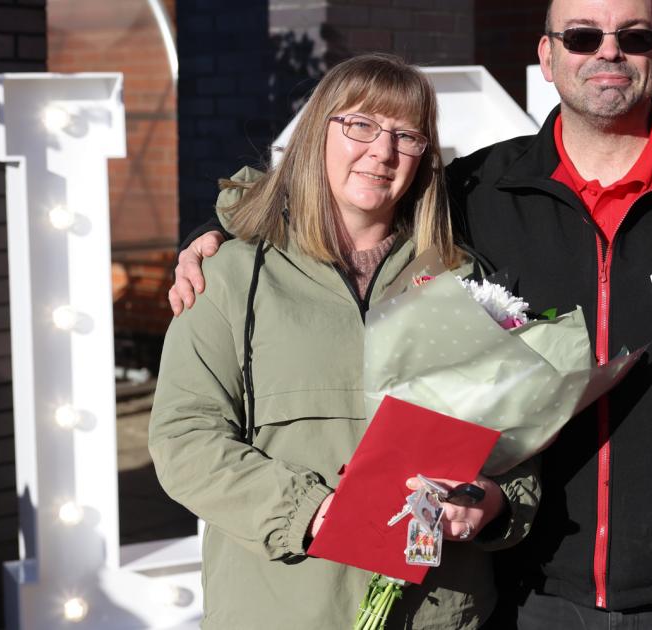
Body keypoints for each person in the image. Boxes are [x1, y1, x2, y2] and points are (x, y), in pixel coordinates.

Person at [171, 0, 652, 626]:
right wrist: (224, 230)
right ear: (548, 57)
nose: (608, 53)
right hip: (534, 584)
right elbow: (352, 193)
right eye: (583, 36)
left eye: (633, 37)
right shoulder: (479, 193)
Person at [149, 53, 538, 630]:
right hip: (280, 607)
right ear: (316, 132)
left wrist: (495, 500)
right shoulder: (229, 275)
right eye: (360, 125)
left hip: (435, 610)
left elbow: (520, 441)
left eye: (407, 136)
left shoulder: (461, 281)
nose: (381, 152)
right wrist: (310, 510)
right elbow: (185, 438)